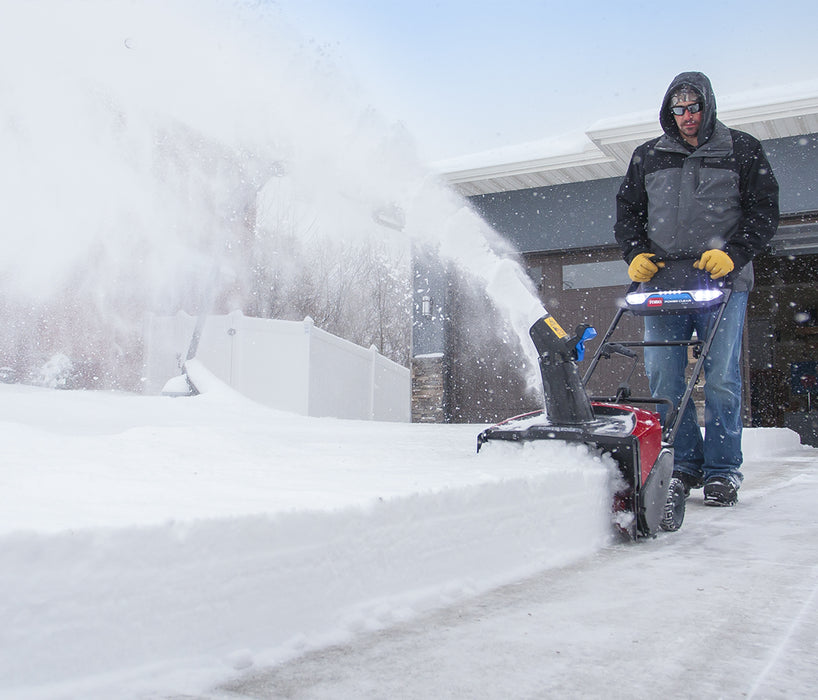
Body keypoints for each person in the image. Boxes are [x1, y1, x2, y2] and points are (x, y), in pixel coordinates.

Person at [614, 71, 779, 506]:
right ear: (670, 111)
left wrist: (736, 253)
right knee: (664, 376)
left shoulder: (741, 149)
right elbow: (628, 213)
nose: (687, 116)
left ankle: (723, 470)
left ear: (708, 106)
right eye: (679, 109)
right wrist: (633, 253)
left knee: (721, 377)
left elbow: (764, 212)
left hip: (721, 280)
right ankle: (685, 462)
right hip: (662, 283)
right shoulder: (648, 155)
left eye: (694, 107)